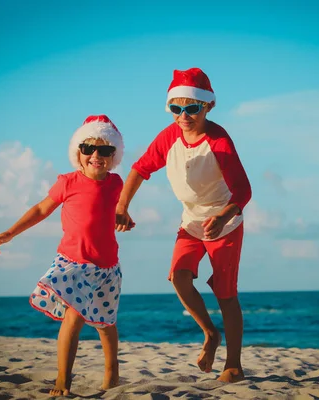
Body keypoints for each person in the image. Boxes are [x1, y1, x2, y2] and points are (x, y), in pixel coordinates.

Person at [115, 67, 252, 383]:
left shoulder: (218, 141)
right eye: (176, 108)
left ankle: (233, 364)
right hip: (191, 222)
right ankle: (210, 333)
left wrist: (222, 217)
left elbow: (244, 191)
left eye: (192, 108)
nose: (184, 115)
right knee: (178, 276)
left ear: (208, 106)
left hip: (225, 223)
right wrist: (122, 206)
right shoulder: (168, 137)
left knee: (226, 294)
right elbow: (139, 169)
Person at [0, 115, 127, 395]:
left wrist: (125, 216)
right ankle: (63, 380)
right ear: (79, 153)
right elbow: (41, 209)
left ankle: (112, 373)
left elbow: (115, 209)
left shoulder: (116, 184)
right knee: (73, 317)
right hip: (75, 263)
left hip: (107, 266)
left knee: (106, 323)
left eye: (105, 150)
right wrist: (10, 233)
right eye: (89, 149)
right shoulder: (68, 182)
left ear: (114, 155)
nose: (96, 155)